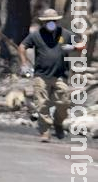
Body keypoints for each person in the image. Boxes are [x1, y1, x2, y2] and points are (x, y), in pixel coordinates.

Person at [18, 8, 78, 142]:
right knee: (41, 104)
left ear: (57, 21)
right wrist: (24, 63)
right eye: (47, 21)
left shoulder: (66, 34)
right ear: (43, 23)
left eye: (53, 21)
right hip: (42, 76)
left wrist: (74, 47)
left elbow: (81, 45)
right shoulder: (36, 35)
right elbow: (22, 47)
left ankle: (58, 123)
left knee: (64, 103)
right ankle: (45, 132)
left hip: (60, 76)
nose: (51, 23)